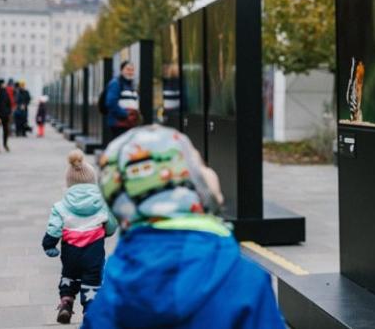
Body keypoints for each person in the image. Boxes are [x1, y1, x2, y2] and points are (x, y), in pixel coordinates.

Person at [83, 125, 286, 328]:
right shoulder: (245, 280)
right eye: (200, 164)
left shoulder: (109, 297)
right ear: (192, 185)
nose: (209, 170)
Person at [42, 150, 118, 324]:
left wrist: (49, 244)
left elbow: (54, 228)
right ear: (93, 182)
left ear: (69, 183)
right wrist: (106, 231)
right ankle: (90, 311)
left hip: (70, 251)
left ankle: (66, 303)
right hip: (94, 250)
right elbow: (112, 224)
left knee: (69, 275)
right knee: (92, 280)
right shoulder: (101, 204)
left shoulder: (61, 206)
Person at [104, 61, 140, 138]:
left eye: (132, 70)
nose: (130, 72)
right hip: (119, 124)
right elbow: (111, 103)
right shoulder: (116, 83)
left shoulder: (131, 85)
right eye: (128, 69)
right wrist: (125, 114)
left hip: (129, 123)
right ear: (121, 70)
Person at [0, 80, 11, 152]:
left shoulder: (5, 92)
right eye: (3, 83)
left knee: (6, 131)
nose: (5, 85)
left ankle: (5, 144)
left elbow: (9, 103)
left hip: (5, 115)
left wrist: (8, 113)